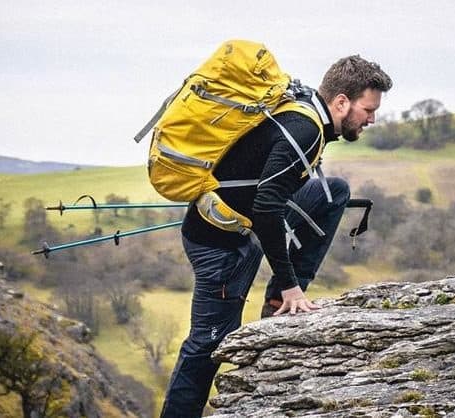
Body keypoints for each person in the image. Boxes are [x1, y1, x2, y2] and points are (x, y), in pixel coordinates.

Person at [160, 55, 392, 417]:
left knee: (334, 193)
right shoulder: (306, 129)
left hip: (245, 225)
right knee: (208, 345)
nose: (372, 119)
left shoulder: (307, 112)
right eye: (368, 109)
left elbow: (270, 195)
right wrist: (289, 283)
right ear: (342, 102)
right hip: (220, 245)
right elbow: (267, 208)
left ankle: (276, 310)